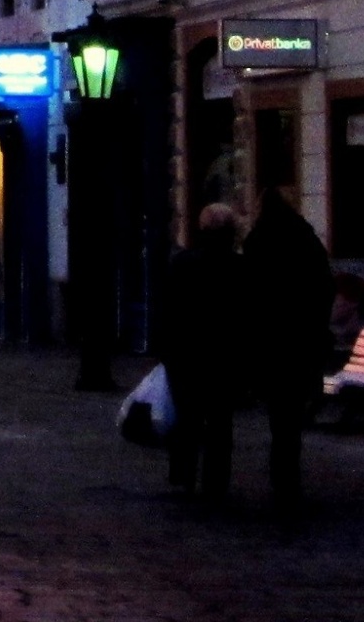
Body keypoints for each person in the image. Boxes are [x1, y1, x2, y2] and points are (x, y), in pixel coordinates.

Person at [242, 189, 333, 510]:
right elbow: (325, 287)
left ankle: (282, 478)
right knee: (291, 416)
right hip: (301, 341)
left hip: (269, 342)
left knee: (279, 415)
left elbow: (248, 295)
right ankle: (288, 477)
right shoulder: (306, 239)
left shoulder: (258, 241)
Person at [159, 202, 243, 502]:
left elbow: (168, 308)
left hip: (186, 354)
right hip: (222, 355)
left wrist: (166, 348)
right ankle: (215, 481)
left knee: (187, 416)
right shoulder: (237, 267)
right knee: (220, 421)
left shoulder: (183, 263)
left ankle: (183, 473)